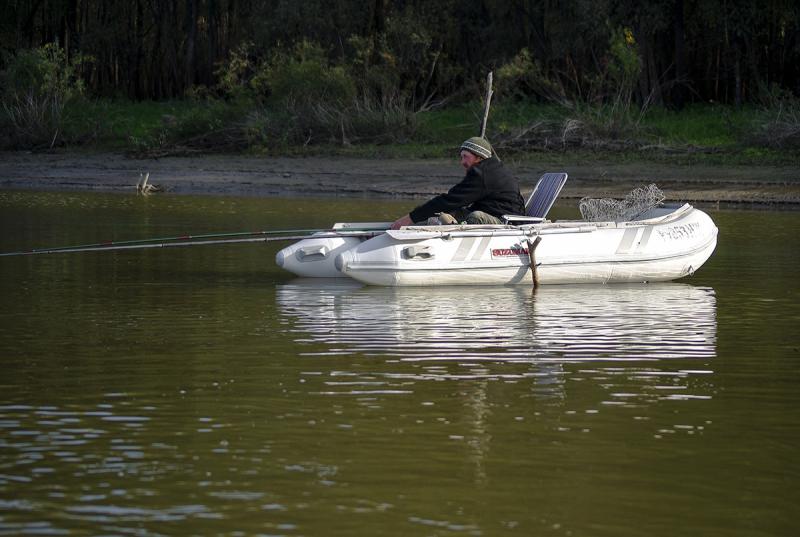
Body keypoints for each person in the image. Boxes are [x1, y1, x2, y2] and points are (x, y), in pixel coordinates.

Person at [390, 137, 525, 229]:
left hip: (508, 222)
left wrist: (410, 218)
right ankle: (419, 229)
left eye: (466, 156)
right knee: (444, 213)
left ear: (479, 156)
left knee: (475, 217)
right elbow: (455, 199)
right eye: (461, 157)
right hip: (494, 214)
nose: (462, 162)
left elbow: (450, 200)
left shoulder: (483, 173)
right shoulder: (490, 169)